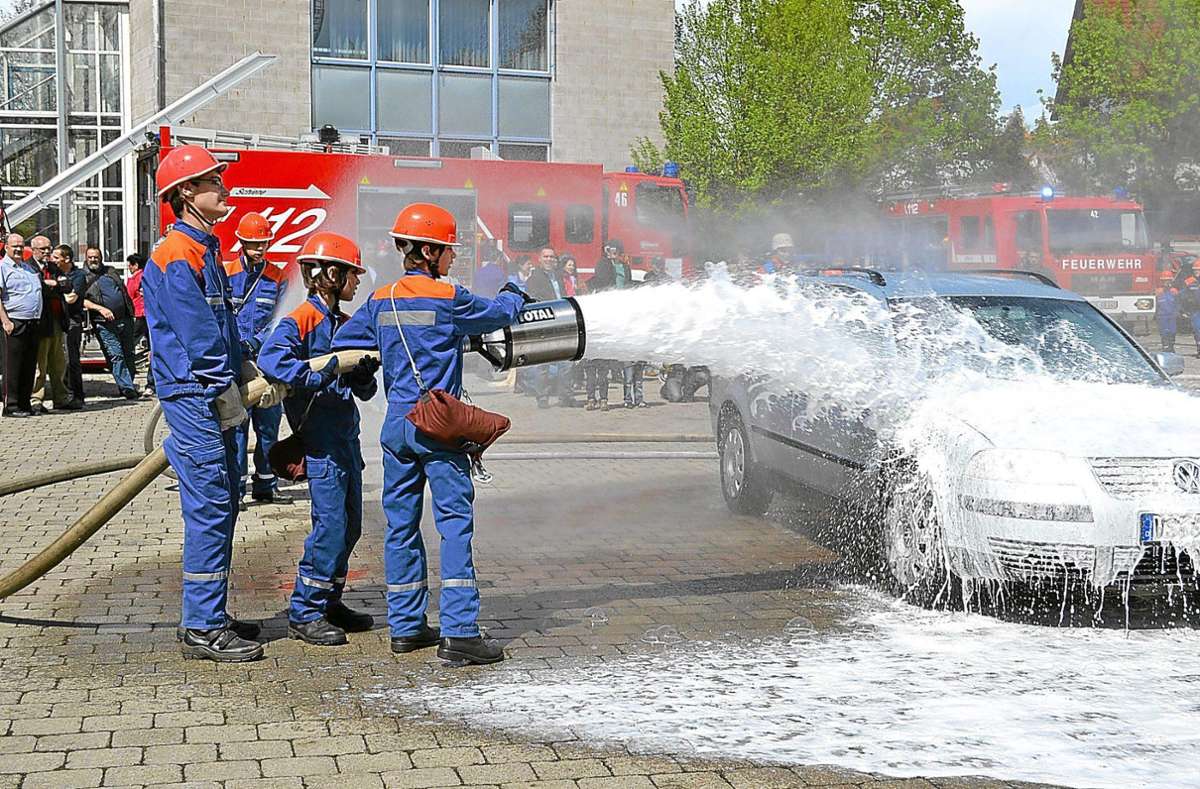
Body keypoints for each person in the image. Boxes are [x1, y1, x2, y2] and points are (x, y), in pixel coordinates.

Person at [333, 202, 527, 665]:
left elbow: (346, 344)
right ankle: (460, 632)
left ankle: (406, 626)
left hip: (398, 425)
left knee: (400, 527)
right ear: (427, 251)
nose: (451, 258)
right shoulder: (448, 297)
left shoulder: (381, 298)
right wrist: (516, 290)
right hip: (438, 426)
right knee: (454, 525)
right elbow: (498, 314)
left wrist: (368, 372)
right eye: (446, 250)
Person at [145, 144, 259, 662]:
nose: (224, 188)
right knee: (211, 502)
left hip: (210, 388)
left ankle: (209, 611)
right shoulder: (177, 253)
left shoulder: (205, 248)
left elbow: (222, 326)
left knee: (226, 498)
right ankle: (202, 627)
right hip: (195, 394)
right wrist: (226, 390)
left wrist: (247, 363)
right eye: (214, 181)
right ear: (186, 193)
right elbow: (197, 335)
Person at [258, 232, 377, 646]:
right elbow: (271, 359)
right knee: (330, 527)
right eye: (351, 274)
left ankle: (330, 602)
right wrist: (315, 375)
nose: (357, 281)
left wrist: (361, 378)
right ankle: (305, 612)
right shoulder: (301, 319)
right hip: (322, 445)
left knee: (352, 527)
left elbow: (360, 388)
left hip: (346, 440)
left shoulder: (346, 324)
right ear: (329, 275)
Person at [225, 212, 292, 507]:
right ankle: (235, 490)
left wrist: (257, 341)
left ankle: (266, 484)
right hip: (234, 365)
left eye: (264, 243)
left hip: (266, 364)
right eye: (254, 244)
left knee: (269, 426)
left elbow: (280, 318)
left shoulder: (278, 277)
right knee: (237, 427)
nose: (259, 249)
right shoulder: (226, 273)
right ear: (241, 243)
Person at [83, 245, 140, 399]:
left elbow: (123, 290)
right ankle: (127, 388)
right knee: (116, 355)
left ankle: (127, 384)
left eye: (96, 256)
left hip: (125, 318)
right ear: (86, 258)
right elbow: (82, 301)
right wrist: (100, 309)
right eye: (90, 257)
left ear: (101, 257)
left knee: (129, 353)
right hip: (103, 322)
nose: (94, 259)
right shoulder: (83, 276)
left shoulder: (111, 271)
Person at [583, 240, 629, 411]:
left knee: (604, 367)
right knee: (593, 368)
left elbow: (628, 284)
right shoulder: (603, 264)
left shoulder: (624, 267)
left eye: (616, 249)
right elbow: (602, 279)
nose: (613, 252)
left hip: (619, 307)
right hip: (605, 310)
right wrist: (608, 258)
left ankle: (603, 398)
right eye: (610, 249)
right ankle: (591, 398)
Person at [1, 233, 42, 418]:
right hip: (14, 321)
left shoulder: (28, 268)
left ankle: (25, 403)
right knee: (13, 366)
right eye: (14, 246)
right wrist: (6, 321)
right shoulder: (2, 267)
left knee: (29, 365)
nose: (18, 249)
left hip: (32, 321)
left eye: (20, 245)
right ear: (6, 247)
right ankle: (11, 405)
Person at [525, 247, 572, 407]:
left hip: (562, 323)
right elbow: (533, 302)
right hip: (544, 324)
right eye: (546, 256)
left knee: (566, 362)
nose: (549, 259)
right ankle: (542, 398)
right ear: (539, 259)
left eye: (552, 257)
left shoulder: (558, 277)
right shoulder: (533, 279)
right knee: (542, 364)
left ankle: (565, 396)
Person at [28, 235, 70, 413]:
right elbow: (35, 289)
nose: (47, 252)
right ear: (34, 250)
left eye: (48, 249)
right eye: (43, 249)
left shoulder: (53, 267)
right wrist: (50, 285)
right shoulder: (28, 267)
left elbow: (67, 286)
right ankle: (36, 399)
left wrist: (54, 285)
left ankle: (61, 398)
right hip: (40, 321)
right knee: (40, 363)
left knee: (58, 362)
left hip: (56, 320)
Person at [54, 245, 88, 408]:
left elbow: (71, 299)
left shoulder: (79, 276)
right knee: (59, 361)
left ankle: (77, 396)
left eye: (56, 257)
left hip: (72, 322)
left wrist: (53, 290)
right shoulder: (56, 273)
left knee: (71, 360)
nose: (52, 260)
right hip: (56, 321)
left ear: (66, 259)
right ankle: (62, 395)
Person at [126, 252, 154, 396]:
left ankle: (130, 380)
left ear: (135, 265)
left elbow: (130, 295)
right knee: (151, 349)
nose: (128, 268)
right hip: (144, 314)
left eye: (129, 265)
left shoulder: (140, 277)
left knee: (129, 346)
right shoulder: (144, 276)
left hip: (140, 315)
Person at [1157, 270, 1179, 353]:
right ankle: (1165, 347)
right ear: (1162, 281)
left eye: (1168, 280)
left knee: (1173, 331)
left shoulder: (1174, 291)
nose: (1166, 282)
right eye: (1165, 281)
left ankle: (1171, 346)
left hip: (1172, 316)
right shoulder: (1158, 292)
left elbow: (1178, 302)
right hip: (1162, 316)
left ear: (1171, 280)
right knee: (1164, 332)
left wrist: (1178, 312)